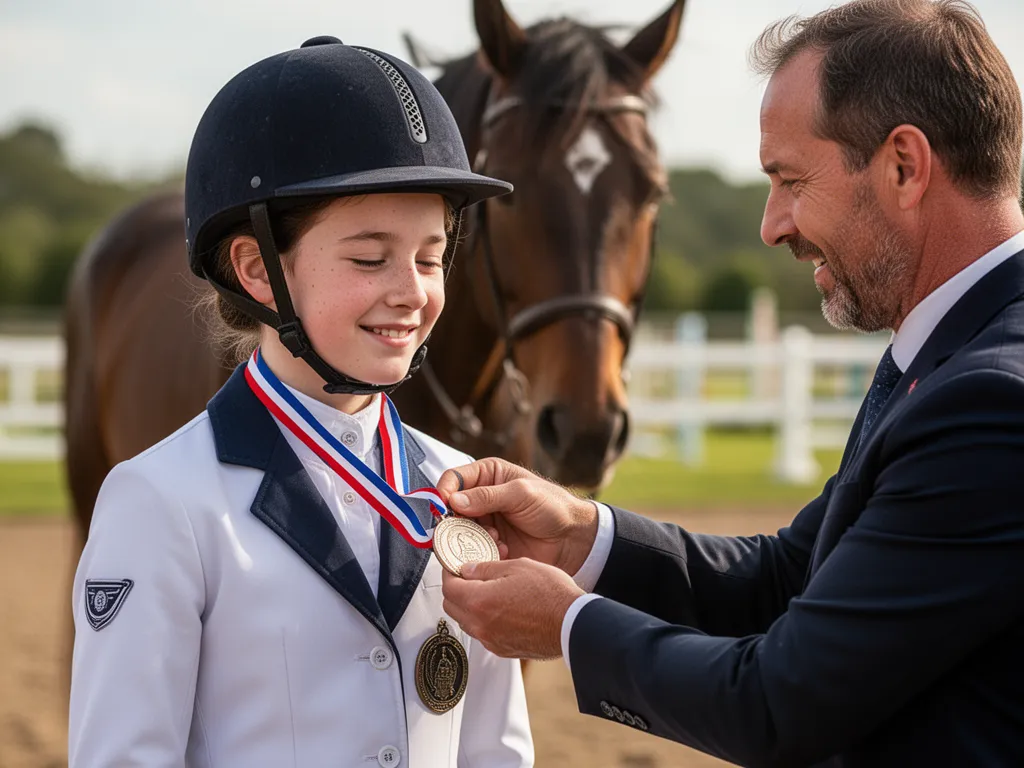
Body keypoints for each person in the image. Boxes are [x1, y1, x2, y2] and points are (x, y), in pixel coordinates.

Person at [438, 1, 1024, 765]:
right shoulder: (956, 348)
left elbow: (779, 704)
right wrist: (583, 535)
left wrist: (569, 626)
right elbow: (789, 578)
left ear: (904, 166)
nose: (771, 225)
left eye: (790, 181)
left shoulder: (991, 402)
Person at [69, 36, 534, 767]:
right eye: (369, 258)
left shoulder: (461, 490)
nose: (412, 291)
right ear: (257, 270)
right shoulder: (160, 503)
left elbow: (496, 751)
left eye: (431, 255)